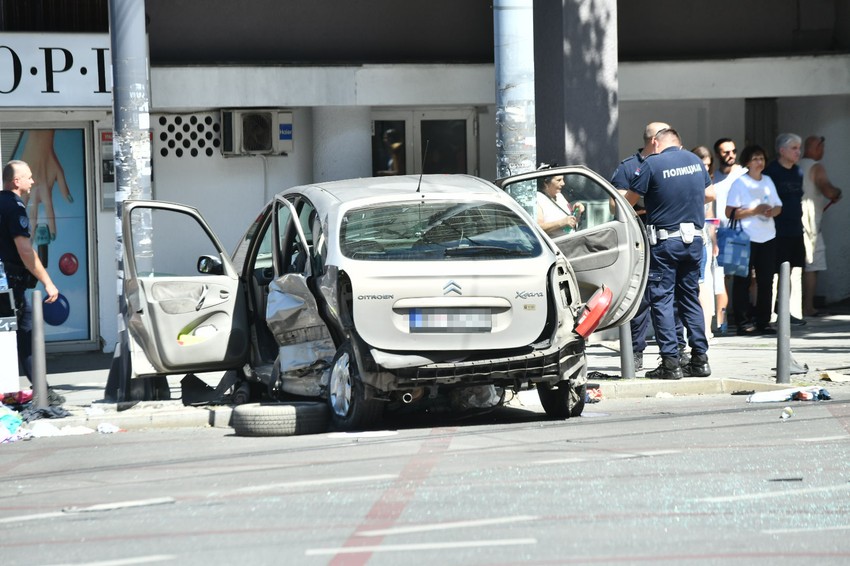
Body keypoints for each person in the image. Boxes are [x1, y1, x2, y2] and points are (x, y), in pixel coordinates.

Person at [624, 128, 715, 380]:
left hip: (665, 244)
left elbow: (627, 201)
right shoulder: (695, 161)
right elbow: (710, 194)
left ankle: (671, 363)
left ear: (655, 142)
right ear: (679, 143)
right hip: (694, 241)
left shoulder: (652, 164)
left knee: (662, 300)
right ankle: (700, 359)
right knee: (690, 298)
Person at [610, 122, 688, 371]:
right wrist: (645, 206)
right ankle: (635, 351)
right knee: (641, 300)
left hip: (669, 241)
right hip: (639, 242)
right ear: (656, 140)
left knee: (672, 297)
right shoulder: (629, 167)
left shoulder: (674, 164)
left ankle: (678, 350)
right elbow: (616, 204)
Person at [1, 160, 64, 405]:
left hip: (5, 284)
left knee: (11, 336)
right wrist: (48, 282)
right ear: (16, 181)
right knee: (26, 333)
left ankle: (24, 390)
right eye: (29, 177)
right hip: (8, 285)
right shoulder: (15, 206)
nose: (33, 181)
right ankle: (41, 391)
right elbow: (25, 251)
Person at [725, 145, 783, 336]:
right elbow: (730, 212)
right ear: (747, 162)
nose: (760, 162)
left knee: (766, 280)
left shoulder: (768, 181)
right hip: (746, 237)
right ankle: (743, 322)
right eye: (756, 158)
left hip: (768, 236)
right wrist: (754, 210)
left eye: (762, 158)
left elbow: (778, 207)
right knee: (743, 280)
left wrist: (770, 211)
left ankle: (763, 321)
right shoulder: (740, 183)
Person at [764, 133, 807, 325]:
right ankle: (765, 313)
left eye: (799, 148)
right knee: (771, 271)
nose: (798, 152)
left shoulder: (798, 172)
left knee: (789, 271)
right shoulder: (771, 172)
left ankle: (784, 310)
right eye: (794, 148)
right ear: (782, 151)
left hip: (795, 229)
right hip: (775, 230)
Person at [799, 135, 842, 317]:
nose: (823, 151)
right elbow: (827, 188)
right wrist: (836, 193)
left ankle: (791, 306)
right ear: (816, 148)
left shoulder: (796, 165)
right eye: (822, 147)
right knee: (812, 265)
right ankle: (807, 306)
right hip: (810, 224)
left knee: (793, 266)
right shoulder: (816, 167)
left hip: (794, 221)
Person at [710, 138, 747, 335]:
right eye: (725, 152)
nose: (731, 155)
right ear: (718, 154)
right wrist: (712, 230)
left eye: (733, 151)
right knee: (720, 277)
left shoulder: (743, 174)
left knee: (744, 276)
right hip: (719, 231)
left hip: (741, 231)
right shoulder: (713, 177)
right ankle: (721, 321)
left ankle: (744, 319)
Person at [691, 146, 717, 338]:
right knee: (698, 284)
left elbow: (710, 216)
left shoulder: (706, 184)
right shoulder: (693, 181)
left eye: (708, 165)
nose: (706, 169)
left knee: (701, 284)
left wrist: (714, 241)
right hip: (695, 237)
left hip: (702, 239)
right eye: (703, 165)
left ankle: (706, 328)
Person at [536, 173, 585, 238]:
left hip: (572, 239)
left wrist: (577, 211)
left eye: (563, 179)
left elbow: (570, 220)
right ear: (546, 183)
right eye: (559, 180)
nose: (563, 183)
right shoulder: (538, 199)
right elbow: (538, 228)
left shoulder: (559, 196)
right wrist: (561, 223)